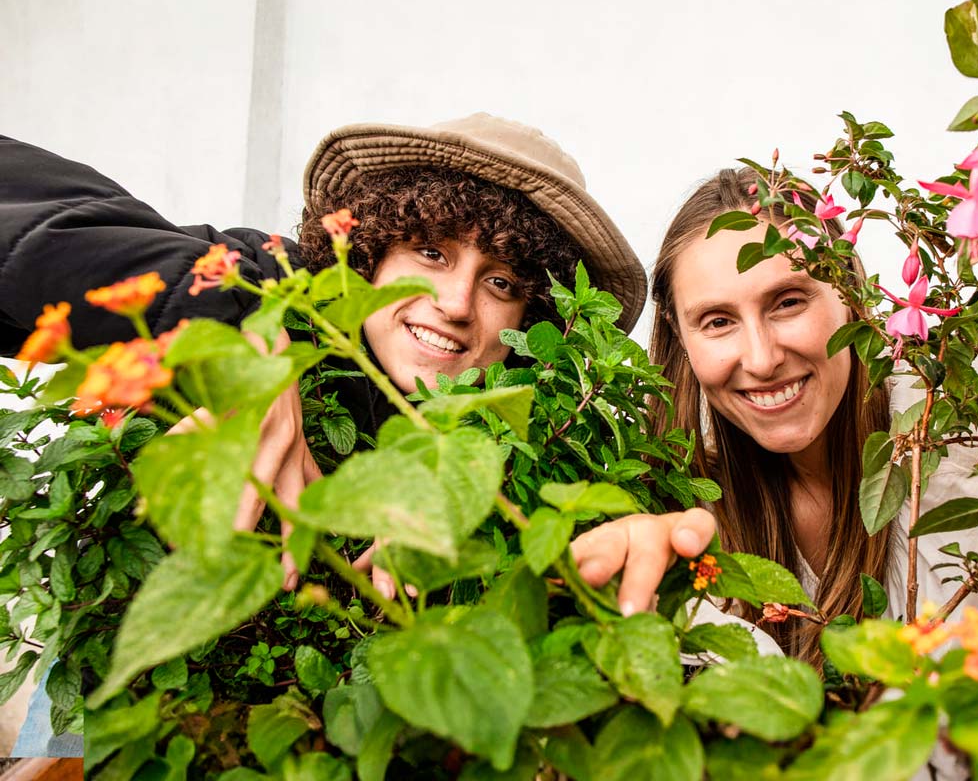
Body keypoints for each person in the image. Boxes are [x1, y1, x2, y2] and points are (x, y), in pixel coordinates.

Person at [571, 69, 978, 760]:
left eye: (787, 301)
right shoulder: (696, 508)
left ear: (855, 299)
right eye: (717, 321)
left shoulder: (953, 406)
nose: (760, 356)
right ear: (682, 343)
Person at [0, 113, 646, 754]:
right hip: (113, 716)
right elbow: (29, 208)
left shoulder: (515, 441)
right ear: (371, 250)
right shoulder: (274, 286)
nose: (454, 302)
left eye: (501, 282)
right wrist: (239, 328)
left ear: (529, 322)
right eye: (430, 252)